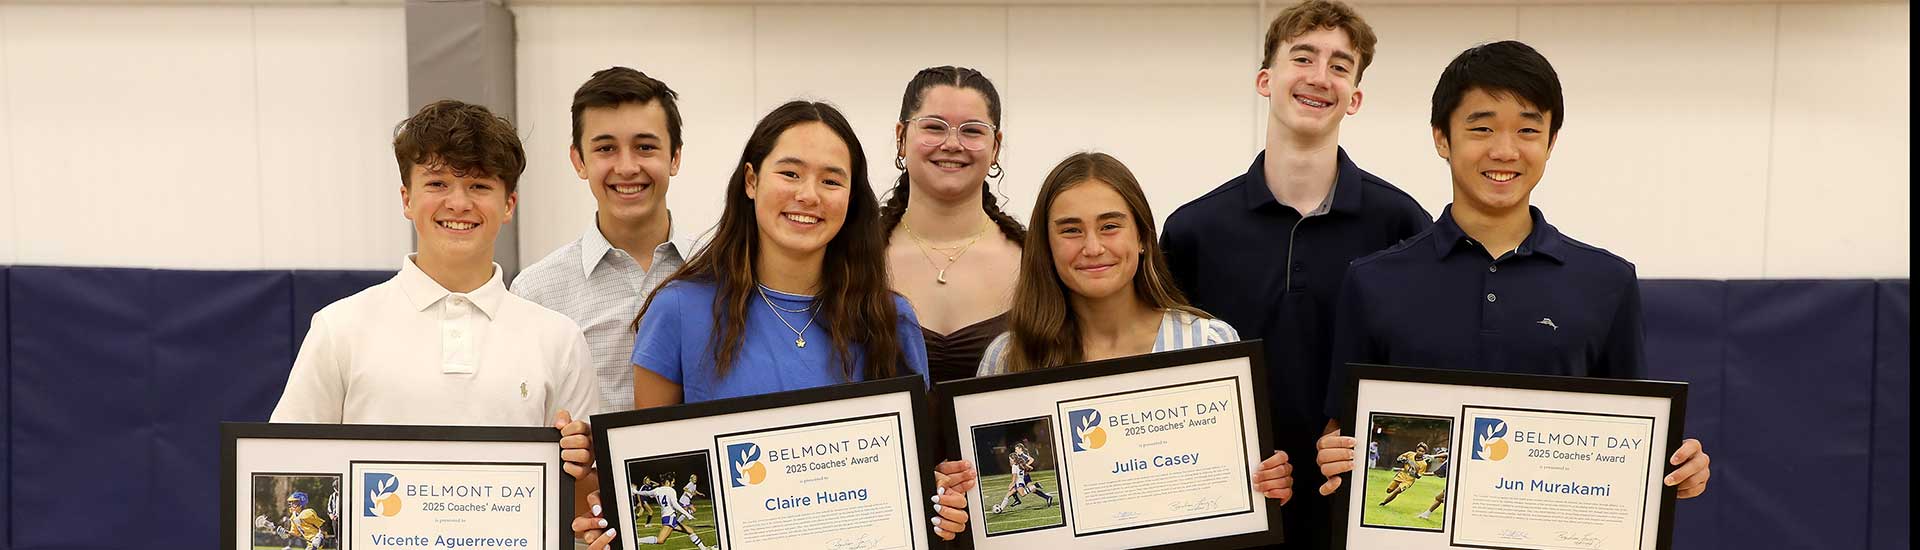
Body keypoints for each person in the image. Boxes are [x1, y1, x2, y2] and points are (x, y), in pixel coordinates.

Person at [1313, 40, 1711, 502]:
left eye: (1527, 130)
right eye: (1481, 128)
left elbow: (1636, 439)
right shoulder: (1373, 281)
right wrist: (1332, 452)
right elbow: (1341, 430)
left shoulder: (1608, 282)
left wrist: (1677, 468)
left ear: (1550, 141)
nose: (1505, 151)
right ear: (1442, 137)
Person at [569, 101, 975, 548]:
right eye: (790, 173)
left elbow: (916, 480)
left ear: (851, 198)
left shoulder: (890, 319)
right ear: (751, 181)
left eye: (831, 180)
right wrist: (615, 524)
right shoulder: (678, 311)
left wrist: (944, 502)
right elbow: (651, 469)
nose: (809, 195)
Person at [1158, 2, 1430, 545]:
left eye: (1339, 65)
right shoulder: (1192, 231)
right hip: (1234, 508)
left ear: (1354, 97)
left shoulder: (1403, 224)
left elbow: (1418, 373)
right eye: (1302, 57)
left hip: (1357, 510)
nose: (1318, 77)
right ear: (1266, 79)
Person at [978, 152, 1295, 505]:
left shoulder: (1208, 343)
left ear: (1143, 237)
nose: (1093, 247)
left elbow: (1239, 483)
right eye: (1071, 230)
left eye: (1110, 226)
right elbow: (986, 487)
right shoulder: (1008, 357)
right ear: (1046, 246)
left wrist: (1264, 480)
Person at [269, 99, 602, 429]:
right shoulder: (339, 329)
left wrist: (582, 468)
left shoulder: (560, 340)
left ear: (508, 205)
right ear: (407, 199)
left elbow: (584, 480)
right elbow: (287, 466)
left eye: (479, 186)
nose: (458, 203)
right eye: (437, 184)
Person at [513, 67, 698, 413]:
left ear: (675, 157)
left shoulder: (721, 270)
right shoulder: (535, 293)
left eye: (645, 147)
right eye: (606, 148)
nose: (627, 167)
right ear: (578, 161)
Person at [880, 66, 1026, 384]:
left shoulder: (1034, 259)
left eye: (972, 131)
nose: (951, 144)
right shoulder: (853, 257)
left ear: (995, 146)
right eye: (934, 127)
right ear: (901, 137)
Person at [634, 473, 711, 549]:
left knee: (690, 531)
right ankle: (637, 541)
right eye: (673, 482)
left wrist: (636, 492)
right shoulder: (671, 490)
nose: (673, 484)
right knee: (660, 540)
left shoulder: (657, 490)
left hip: (667, 517)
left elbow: (646, 493)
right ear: (667, 482)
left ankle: (704, 548)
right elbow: (675, 505)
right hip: (670, 517)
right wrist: (688, 515)